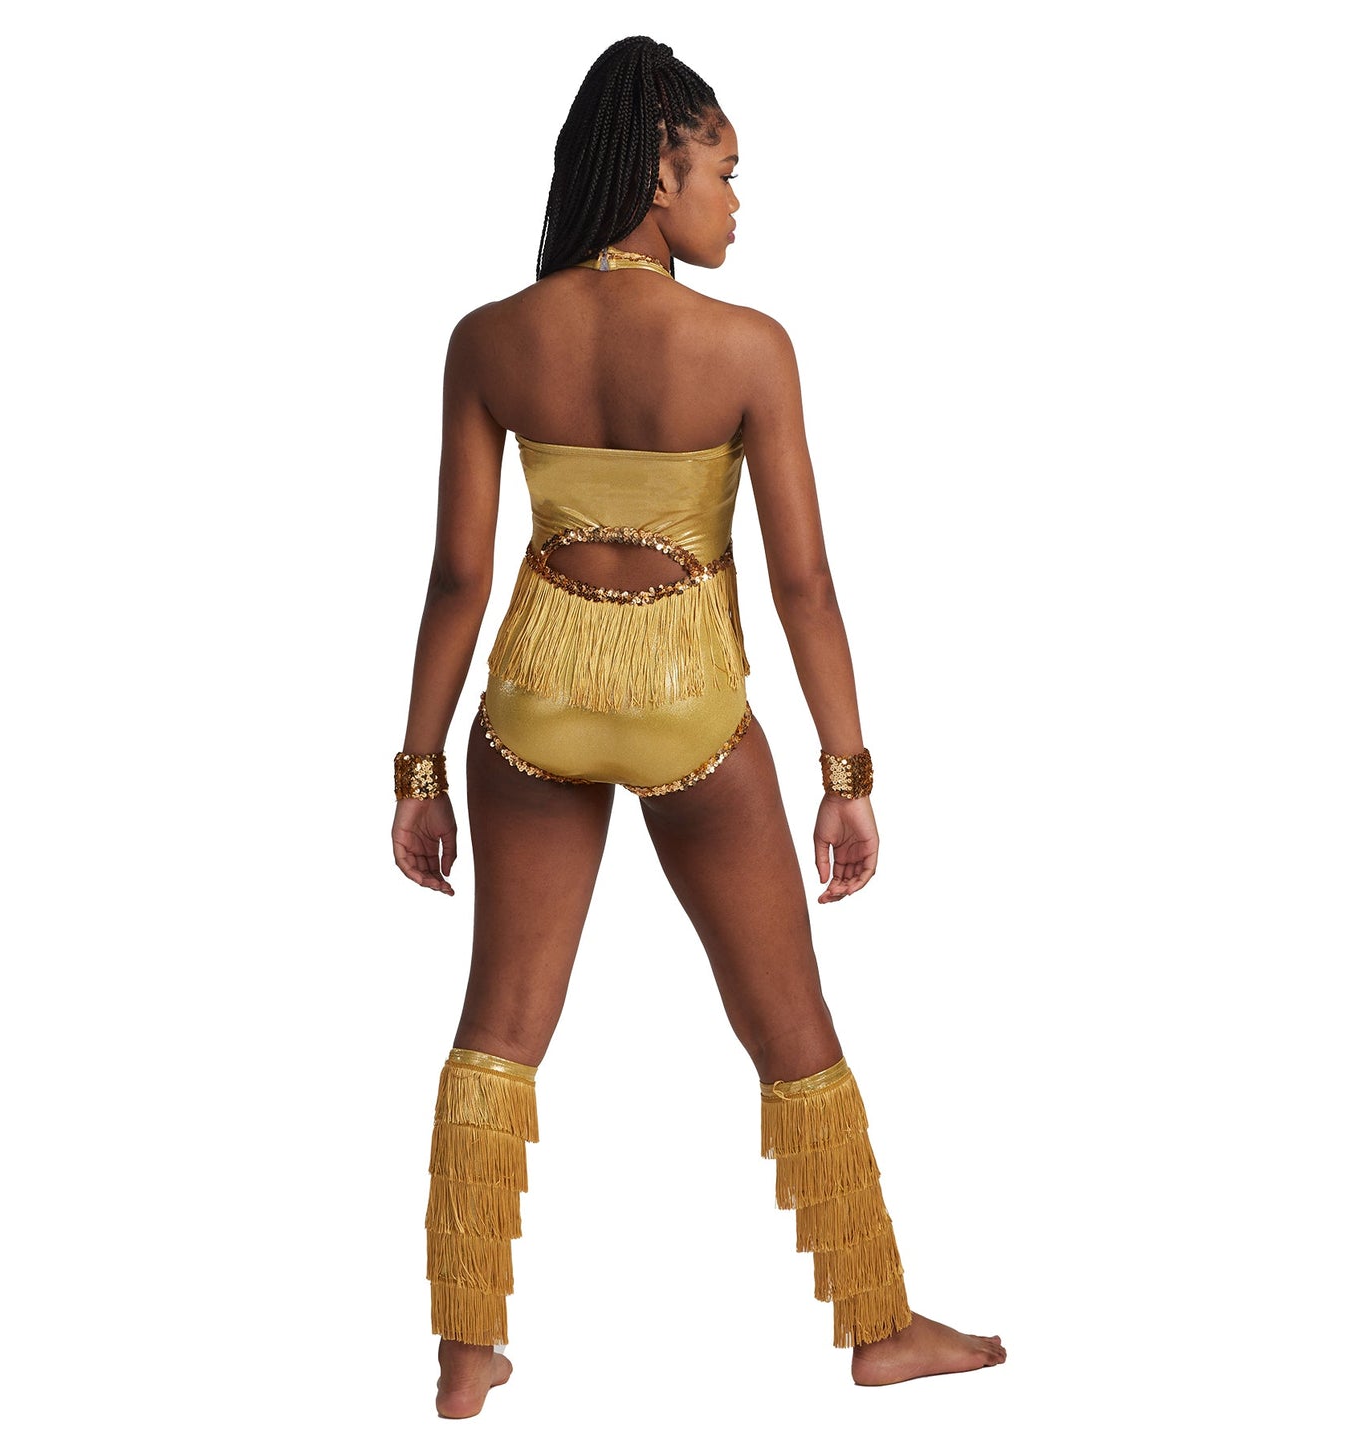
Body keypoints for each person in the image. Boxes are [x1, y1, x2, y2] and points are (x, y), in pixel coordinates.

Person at [391, 35, 1005, 1419]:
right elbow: (802, 583)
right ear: (660, 173)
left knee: (499, 1024)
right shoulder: (746, 348)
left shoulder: (491, 338)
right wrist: (847, 773)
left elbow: (455, 578)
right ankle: (877, 1322)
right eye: (723, 170)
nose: (736, 198)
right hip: (690, 707)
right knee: (789, 1022)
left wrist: (418, 768)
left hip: (532, 700)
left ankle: (465, 1348)